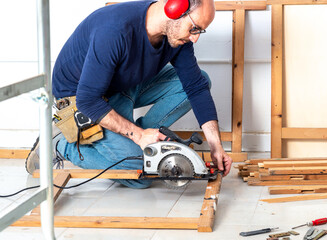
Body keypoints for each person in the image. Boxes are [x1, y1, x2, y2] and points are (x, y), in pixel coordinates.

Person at [26, 0, 232, 188]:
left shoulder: (178, 37)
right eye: (194, 28)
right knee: (141, 173)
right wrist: (139, 135)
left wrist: (216, 146)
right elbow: (87, 100)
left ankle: (136, 141)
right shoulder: (115, 30)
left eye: (200, 32)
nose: (194, 38)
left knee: (202, 79)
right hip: (80, 101)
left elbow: (195, 86)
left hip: (121, 86)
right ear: (174, 8)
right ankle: (59, 145)